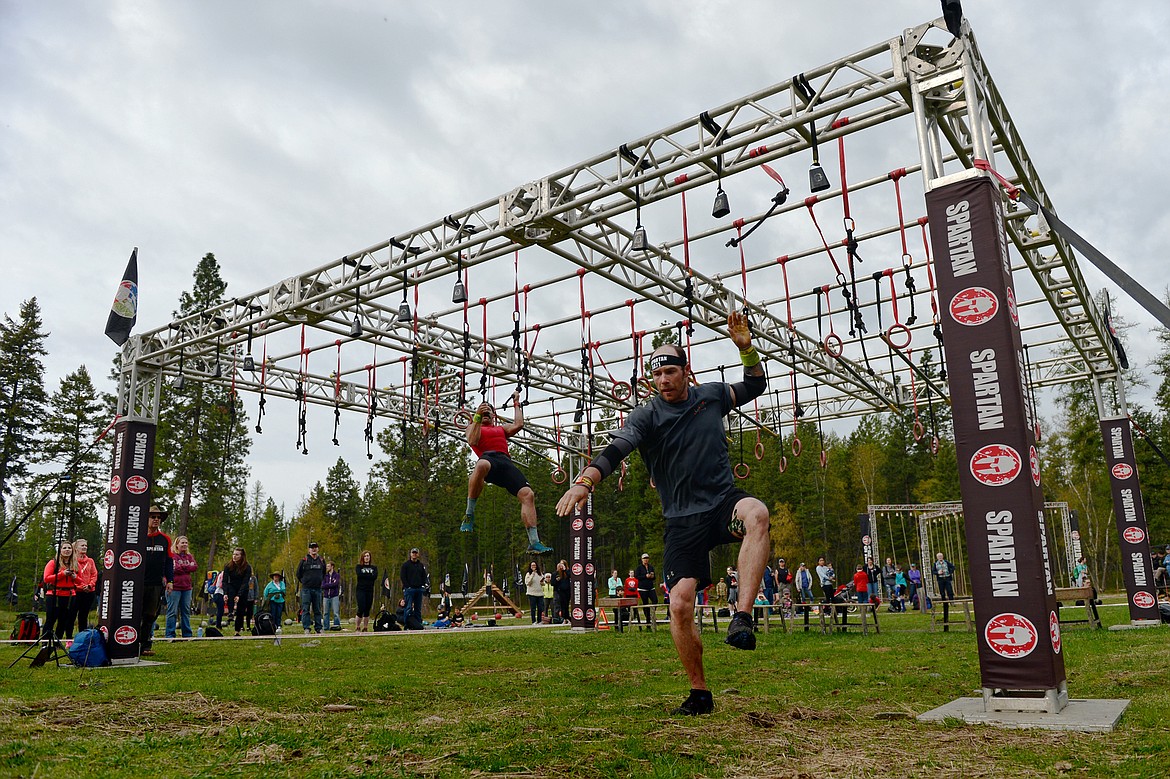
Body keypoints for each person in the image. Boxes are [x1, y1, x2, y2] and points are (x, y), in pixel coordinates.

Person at [556, 310, 769, 716]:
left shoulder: (712, 396)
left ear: (687, 372)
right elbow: (615, 451)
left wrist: (747, 350)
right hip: (682, 520)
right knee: (680, 604)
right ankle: (700, 692)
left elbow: (756, 384)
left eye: (671, 372)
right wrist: (585, 481)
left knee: (757, 513)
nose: (664, 381)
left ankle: (742, 617)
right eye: (657, 376)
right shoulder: (647, 415)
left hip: (723, 501)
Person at [460, 391, 553, 555]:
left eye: (489, 412)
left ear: (494, 416)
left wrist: (516, 403)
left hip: (505, 462)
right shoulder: (473, 427)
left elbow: (519, 424)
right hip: (489, 458)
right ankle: (469, 513)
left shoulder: (501, 429)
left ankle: (534, 542)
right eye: (484, 412)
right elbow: (473, 440)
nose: (486, 414)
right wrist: (477, 416)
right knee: (481, 465)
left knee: (528, 495)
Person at [140, 505, 174, 656]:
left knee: (150, 615)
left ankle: (146, 645)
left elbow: (168, 561)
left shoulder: (165, 539)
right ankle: (130, 643)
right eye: (153, 516)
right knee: (135, 614)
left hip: (155, 583)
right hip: (138, 582)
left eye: (158, 517)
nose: (156, 519)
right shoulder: (138, 537)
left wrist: (170, 580)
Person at [43, 541, 78, 642]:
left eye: (69, 548)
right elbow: (46, 578)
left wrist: (75, 577)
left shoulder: (74, 564)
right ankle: (45, 642)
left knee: (63, 620)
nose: (67, 550)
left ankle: (58, 642)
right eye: (65, 548)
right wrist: (62, 574)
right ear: (60, 550)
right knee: (51, 619)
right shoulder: (53, 562)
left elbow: (79, 580)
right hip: (54, 595)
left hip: (68, 596)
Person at [165, 535, 198, 639]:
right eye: (182, 543)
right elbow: (175, 568)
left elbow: (194, 567)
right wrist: (187, 567)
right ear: (177, 545)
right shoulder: (172, 556)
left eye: (186, 543)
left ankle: (187, 634)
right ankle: (170, 634)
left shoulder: (189, 556)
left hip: (187, 588)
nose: (184, 545)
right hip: (174, 587)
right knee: (172, 611)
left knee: (186, 611)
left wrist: (184, 567)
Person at [223, 547, 253, 636]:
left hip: (243, 588)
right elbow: (225, 580)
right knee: (230, 594)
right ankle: (230, 613)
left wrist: (239, 595)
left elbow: (245, 582)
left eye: (237, 555)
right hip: (232, 586)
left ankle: (237, 630)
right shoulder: (228, 566)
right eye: (233, 554)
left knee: (241, 610)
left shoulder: (247, 567)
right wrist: (225, 593)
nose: (234, 556)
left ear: (241, 556)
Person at [297, 541, 326, 634]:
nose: (314, 549)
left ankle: (318, 628)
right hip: (306, 589)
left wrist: (320, 581)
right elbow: (298, 574)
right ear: (309, 549)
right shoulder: (304, 560)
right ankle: (306, 627)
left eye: (315, 547)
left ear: (318, 549)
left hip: (317, 589)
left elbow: (324, 573)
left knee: (317, 609)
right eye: (312, 547)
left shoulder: (321, 560)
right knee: (305, 608)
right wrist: (305, 581)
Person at [70, 537, 98, 634]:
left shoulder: (90, 561)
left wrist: (90, 585)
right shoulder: (72, 561)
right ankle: (69, 638)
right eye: (82, 545)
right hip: (76, 592)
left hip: (89, 591)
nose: (85, 547)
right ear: (76, 548)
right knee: (72, 615)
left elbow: (94, 574)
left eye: (86, 545)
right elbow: (72, 576)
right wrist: (81, 587)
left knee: (84, 615)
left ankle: (82, 637)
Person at [400, 548, 427, 625]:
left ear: (418, 554)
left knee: (418, 609)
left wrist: (422, 585)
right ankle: (407, 624)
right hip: (409, 589)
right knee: (408, 608)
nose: (414, 554)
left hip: (419, 589)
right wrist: (407, 586)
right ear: (410, 554)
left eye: (416, 553)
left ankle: (418, 624)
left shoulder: (420, 565)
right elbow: (403, 576)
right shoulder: (406, 565)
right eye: (413, 553)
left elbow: (424, 576)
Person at [354, 551, 378, 632]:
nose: (367, 557)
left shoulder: (374, 568)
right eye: (365, 556)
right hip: (361, 590)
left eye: (368, 556)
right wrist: (369, 576)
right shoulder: (359, 567)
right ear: (362, 558)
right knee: (361, 607)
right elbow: (359, 575)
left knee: (367, 609)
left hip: (370, 590)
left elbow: (374, 577)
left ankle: (365, 627)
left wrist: (367, 576)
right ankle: (357, 626)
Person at [635, 553, 658, 627]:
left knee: (655, 600)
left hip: (650, 587)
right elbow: (637, 576)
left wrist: (652, 576)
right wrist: (645, 576)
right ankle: (648, 620)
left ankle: (652, 613)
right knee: (646, 604)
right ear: (642, 559)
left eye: (647, 558)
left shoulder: (651, 567)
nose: (646, 559)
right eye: (644, 558)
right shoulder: (639, 568)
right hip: (642, 588)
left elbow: (654, 577)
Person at [322, 560, 342, 631]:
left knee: (336, 612)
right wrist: (330, 585)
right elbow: (323, 585)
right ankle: (326, 627)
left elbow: (336, 584)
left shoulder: (336, 575)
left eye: (328, 566)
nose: (327, 567)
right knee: (325, 613)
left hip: (334, 596)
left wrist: (328, 585)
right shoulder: (325, 576)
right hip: (326, 596)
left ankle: (337, 626)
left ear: (332, 566)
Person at [553, 560, 571, 624]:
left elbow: (570, 576)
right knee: (562, 605)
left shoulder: (568, 571)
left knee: (566, 605)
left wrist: (565, 569)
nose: (561, 565)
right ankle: (564, 618)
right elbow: (553, 583)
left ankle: (567, 618)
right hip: (560, 591)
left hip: (568, 591)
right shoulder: (556, 573)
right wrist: (556, 580)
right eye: (560, 564)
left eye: (563, 564)